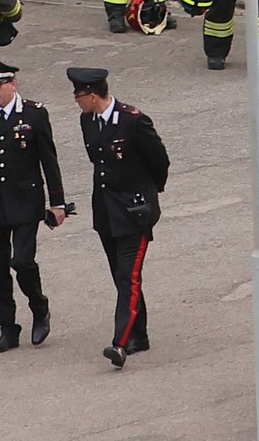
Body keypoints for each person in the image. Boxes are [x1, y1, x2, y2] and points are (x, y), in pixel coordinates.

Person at [68, 66, 170, 369]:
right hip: (107, 213)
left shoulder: (132, 121)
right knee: (121, 276)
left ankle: (120, 343)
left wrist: (148, 197)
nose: (77, 101)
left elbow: (159, 160)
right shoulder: (88, 121)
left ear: (94, 96)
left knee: (129, 277)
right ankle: (139, 334)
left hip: (134, 213)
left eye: (80, 96)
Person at [0, 57, 67, 353]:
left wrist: (58, 203)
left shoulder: (34, 114)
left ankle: (39, 308)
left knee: (22, 261)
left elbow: (48, 160)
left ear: (13, 84)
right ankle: (8, 328)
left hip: (27, 199)